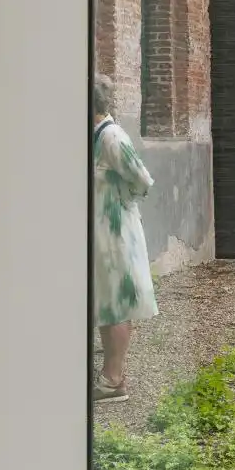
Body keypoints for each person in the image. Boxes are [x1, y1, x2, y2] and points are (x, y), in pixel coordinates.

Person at [92, 74, 158, 400]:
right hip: (102, 234)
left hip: (117, 235)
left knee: (116, 302)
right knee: (106, 300)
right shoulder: (95, 136)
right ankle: (110, 374)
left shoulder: (112, 137)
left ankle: (114, 379)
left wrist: (120, 199)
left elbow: (142, 180)